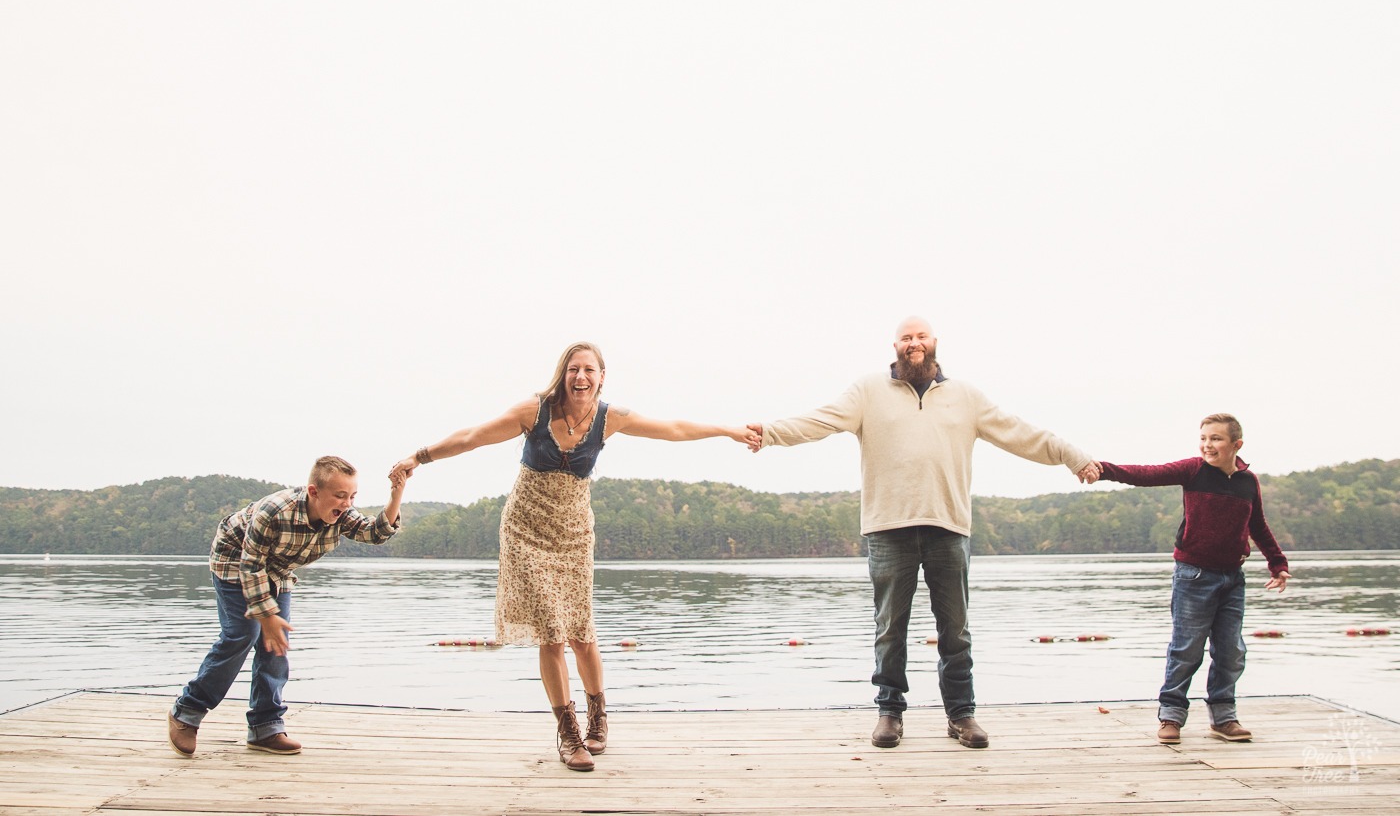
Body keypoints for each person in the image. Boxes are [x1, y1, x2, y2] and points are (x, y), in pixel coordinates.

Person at [390, 341, 756, 772]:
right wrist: (420, 457)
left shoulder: (610, 418)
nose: (580, 377)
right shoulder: (535, 411)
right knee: (551, 629)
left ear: (602, 377)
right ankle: (569, 733)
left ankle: (598, 715)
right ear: (562, 374)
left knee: (581, 631)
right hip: (525, 528)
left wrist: (730, 431)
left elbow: (674, 428)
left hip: (574, 532)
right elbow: (473, 437)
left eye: (589, 370)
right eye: (573, 370)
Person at [747, 316, 1098, 750]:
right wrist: (769, 433)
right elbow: (820, 420)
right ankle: (889, 713)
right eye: (905, 337)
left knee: (956, 629)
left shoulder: (965, 397)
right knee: (890, 627)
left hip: (947, 527)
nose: (914, 343)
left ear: (935, 343)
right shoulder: (867, 392)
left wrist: (1072, 455)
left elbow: (1019, 432)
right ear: (894, 346)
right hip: (887, 527)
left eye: (921, 336)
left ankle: (961, 715)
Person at [167, 455, 404, 757]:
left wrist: (397, 492)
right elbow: (250, 567)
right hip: (235, 560)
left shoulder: (342, 515)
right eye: (340, 496)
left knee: (276, 645)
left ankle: (265, 727)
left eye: (352, 496)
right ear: (314, 492)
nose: (347, 504)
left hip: (277, 570)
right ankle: (186, 712)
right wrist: (265, 615)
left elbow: (376, 533)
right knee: (243, 634)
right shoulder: (274, 511)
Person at [1090, 414, 1290, 744]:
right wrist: (1103, 468)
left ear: (1236, 445)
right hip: (1193, 575)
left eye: (1216, 439)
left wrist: (1277, 563)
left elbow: (1258, 526)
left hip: (1232, 578)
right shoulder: (1193, 470)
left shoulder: (1247, 482)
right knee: (1186, 650)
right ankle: (1171, 716)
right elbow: (1146, 475)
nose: (1207, 445)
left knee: (1230, 651)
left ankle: (1223, 717)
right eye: (1203, 438)